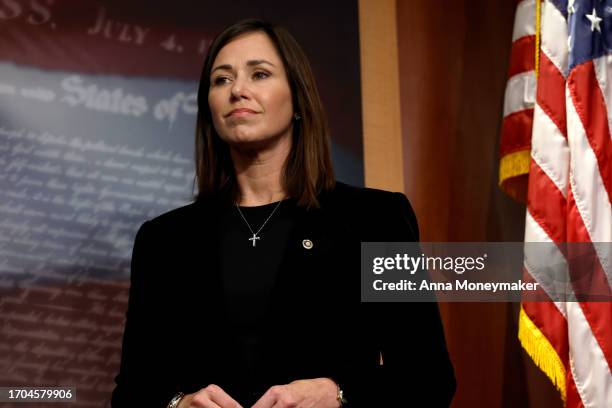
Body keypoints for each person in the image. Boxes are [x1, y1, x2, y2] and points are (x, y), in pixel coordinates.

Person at [111, 19, 455, 408]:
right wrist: (177, 405)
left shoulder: (377, 219)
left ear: (297, 98)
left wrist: (339, 394)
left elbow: (429, 379)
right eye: (221, 80)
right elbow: (131, 394)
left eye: (259, 74)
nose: (238, 90)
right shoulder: (164, 239)